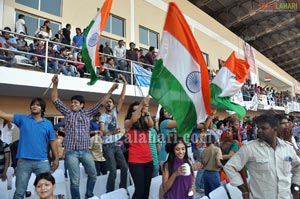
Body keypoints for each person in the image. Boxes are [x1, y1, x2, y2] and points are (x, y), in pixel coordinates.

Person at [51, 74, 119, 199]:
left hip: (85, 151)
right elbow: (55, 99)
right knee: (75, 180)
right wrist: (55, 84)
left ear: (82, 105)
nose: (72, 104)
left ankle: (89, 195)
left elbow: (101, 103)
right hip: (71, 152)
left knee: (93, 175)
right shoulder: (67, 113)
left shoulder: (88, 113)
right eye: (71, 102)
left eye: (75, 103)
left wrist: (111, 90)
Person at [224, 113, 300, 199]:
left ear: (274, 129)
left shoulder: (287, 147)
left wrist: (295, 188)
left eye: (264, 128)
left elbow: (297, 166)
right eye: (258, 128)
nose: (259, 131)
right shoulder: (250, 148)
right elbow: (230, 167)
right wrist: (244, 189)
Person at [0, 98, 59, 199]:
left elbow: (53, 142)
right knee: (19, 192)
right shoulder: (23, 119)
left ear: (42, 108)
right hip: (23, 162)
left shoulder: (48, 124)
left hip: (42, 161)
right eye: (33, 104)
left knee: (47, 192)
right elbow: (3, 115)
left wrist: (56, 159)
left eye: (37, 105)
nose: (34, 106)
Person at [100, 74, 128, 192]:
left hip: (116, 144)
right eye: (107, 102)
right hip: (107, 146)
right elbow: (102, 131)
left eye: (110, 102)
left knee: (124, 168)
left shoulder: (116, 112)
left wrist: (125, 83)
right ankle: (109, 192)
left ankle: (122, 189)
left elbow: (121, 98)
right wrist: (112, 132)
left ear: (113, 104)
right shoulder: (102, 116)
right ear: (105, 105)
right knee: (112, 170)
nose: (109, 103)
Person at [124, 96, 154, 199]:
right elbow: (133, 119)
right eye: (135, 110)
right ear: (130, 112)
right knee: (139, 190)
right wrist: (141, 104)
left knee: (146, 190)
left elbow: (151, 124)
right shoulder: (128, 123)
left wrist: (146, 111)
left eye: (139, 110)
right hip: (136, 162)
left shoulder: (144, 123)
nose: (138, 112)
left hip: (148, 160)